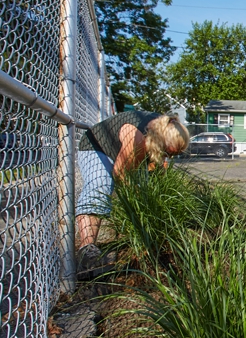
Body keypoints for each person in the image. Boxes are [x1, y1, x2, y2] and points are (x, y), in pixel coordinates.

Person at [75, 111, 190, 277]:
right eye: (167, 153)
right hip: (97, 146)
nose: (168, 159)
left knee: (146, 188)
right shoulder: (136, 136)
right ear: (159, 143)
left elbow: (155, 173)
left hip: (135, 149)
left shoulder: (164, 130)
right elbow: (120, 174)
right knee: (101, 183)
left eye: (173, 155)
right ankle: (87, 252)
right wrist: (134, 200)